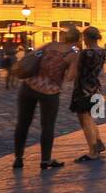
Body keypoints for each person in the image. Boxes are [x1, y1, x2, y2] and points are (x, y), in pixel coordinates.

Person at [13, 25, 80, 170]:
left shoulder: (49, 45)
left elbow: (32, 58)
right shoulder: (73, 54)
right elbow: (69, 77)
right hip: (50, 92)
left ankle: (18, 158)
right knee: (47, 126)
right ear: (76, 40)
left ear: (63, 36)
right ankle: (45, 160)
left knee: (23, 122)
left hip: (28, 86)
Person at [71, 27, 106, 162]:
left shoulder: (85, 53)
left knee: (86, 119)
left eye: (84, 37)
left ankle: (93, 151)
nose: (83, 40)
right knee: (91, 118)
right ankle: (98, 142)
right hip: (96, 88)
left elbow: (76, 70)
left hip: (83, 89)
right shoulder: (102, 52)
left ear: (88, 37)